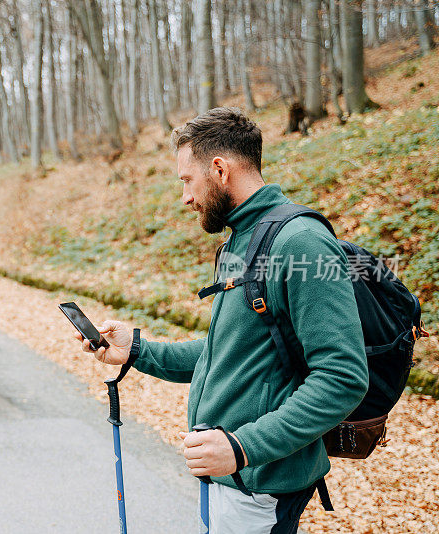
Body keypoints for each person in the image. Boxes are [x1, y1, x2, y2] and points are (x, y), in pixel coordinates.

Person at [74, 107, 368, 533]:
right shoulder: (242, 240)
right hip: (230, 478)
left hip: (261, 484)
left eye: (186, 180)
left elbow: (343, 377)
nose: (185, 197)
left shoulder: (300, 242)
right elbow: (226, 352)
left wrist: (242, 447)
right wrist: (136, 350)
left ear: (219, 169)